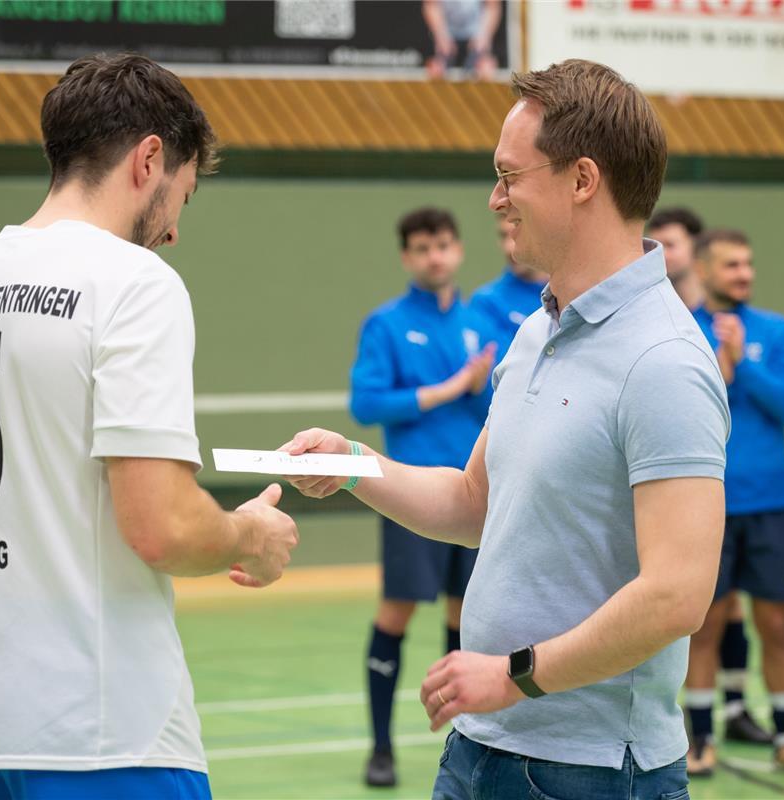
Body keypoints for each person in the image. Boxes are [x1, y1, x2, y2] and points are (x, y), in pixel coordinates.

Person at [283, 59, 729, 800]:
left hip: (593, 773)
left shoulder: (665, 360)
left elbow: (678, 593)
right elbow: (474, 502)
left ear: (583, 180)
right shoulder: (536, 331)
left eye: (510, 175)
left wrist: (516, 675)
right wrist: (355, 461)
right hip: (482, 746)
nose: (496, 199)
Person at [0, 54, 300, 800]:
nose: (171, 233)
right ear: (149, 160)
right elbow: (161, 525)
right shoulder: (134, 285)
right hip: (109, 748)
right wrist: (250, 536)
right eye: (183, 199)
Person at [349, 206, 497, 787]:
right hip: (414, 496)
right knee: (397, 613)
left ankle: (468, 738)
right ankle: (381, 747)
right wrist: (449, 389)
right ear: (407, 257)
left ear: (458, 249)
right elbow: (366, 405)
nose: (435, 256)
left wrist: (481, 391)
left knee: (470, 618)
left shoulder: (481, 323)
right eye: (421, 248)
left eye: (443, 245)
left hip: (477, 497)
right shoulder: (384, 324)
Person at [685, 229, 784, 778]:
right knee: (704, 627)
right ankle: (700, 740)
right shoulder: (681, 331)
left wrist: (744, 364)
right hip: (706, 506)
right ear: (703, 268)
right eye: (731, 265)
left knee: (775, 625)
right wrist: (714, 374)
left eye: (747, 264)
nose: (744, 273)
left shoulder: (777, 330)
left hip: (769, 504)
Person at [648, 206, 769, 747]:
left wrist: (739, 365)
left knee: (735, 603)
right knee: (697, 607)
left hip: (747, 491)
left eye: (671, 243)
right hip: (683, 487)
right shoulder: (663, 326)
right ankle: (693, 725)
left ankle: (737, 705)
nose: (661, 251)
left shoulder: (729, 324)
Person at [468, 217, 547, 361]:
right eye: (503, 236)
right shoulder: (486, 302)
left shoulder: (568, 295)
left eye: (517, 233)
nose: (508, 247)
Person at [422, 0, 501, 80]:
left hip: (477, 35)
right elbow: (431, 5)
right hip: (445, 34)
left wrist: (483, 37)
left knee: (486, 70)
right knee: (436, 70)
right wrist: (441, 37)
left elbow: (493, 6)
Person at [647, 206, 705, 309]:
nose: (661, 254)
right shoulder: (649, 310)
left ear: (696, 246)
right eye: (655, 247)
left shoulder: (725, 314)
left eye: (670, 245)